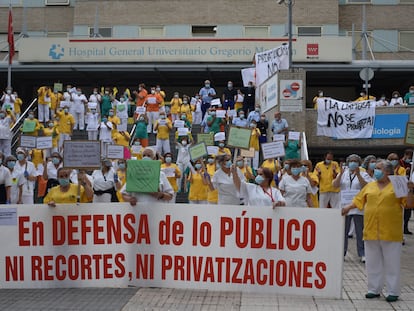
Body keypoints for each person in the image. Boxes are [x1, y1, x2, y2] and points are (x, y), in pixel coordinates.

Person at [342, 159, 414, 302]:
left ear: (388, 171)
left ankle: (393, 291)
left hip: (390, 230)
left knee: (391, 262)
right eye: (376, 168)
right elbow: (358, 201)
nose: (376, 170)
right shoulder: (370, 186)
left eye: (379, 168)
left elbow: (408, 205)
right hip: (371, 229)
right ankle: (373, 289)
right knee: (372, 262)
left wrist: (411, 190)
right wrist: (347, 208)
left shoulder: (398, 185)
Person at [333, 154, 372, 263]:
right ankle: (342, 253)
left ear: (359, 163)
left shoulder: (364, 174)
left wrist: (359, 175)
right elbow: (335, 185)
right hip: (344, 206)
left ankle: (362, 253)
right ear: (348, 162)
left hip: (358, 206)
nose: (353, 163)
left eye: (355, 161)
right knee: (343, 231)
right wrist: (340, 174)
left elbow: (367, 186)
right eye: (351, 161)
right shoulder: (343, 174)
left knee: (360, 231)